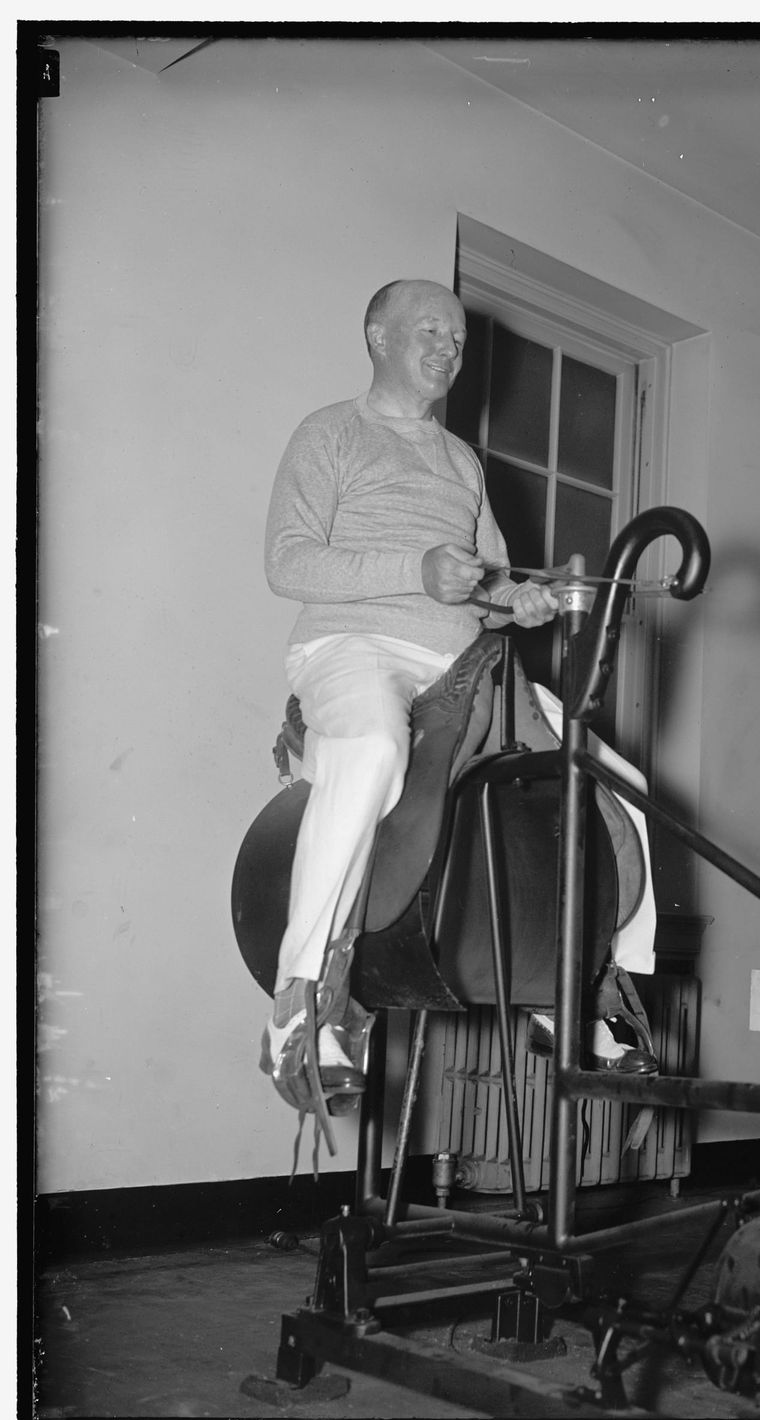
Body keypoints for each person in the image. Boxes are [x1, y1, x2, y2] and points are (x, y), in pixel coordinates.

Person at [260, 279, 655, 1119]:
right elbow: (288, 564)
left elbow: (488, 582)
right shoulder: (329, 432)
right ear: (376, 335)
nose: (447, 349)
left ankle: (595, 998)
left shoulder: (461, 461)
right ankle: (300, 999)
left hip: (461, 661)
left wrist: (521, 601)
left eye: (459, 339)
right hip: (350, 645)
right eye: (428, 332)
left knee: (624, 784)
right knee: (370, 749)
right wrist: (417, 571)